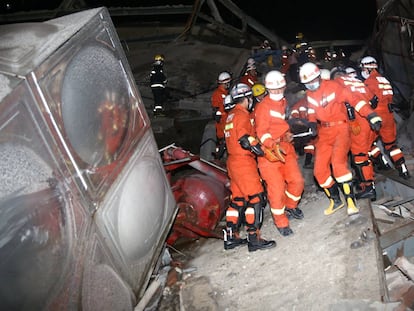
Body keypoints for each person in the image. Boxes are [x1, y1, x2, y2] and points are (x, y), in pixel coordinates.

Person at [298, 62, 382, 216]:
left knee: (338, 164)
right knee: (319, 171)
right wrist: (311, 123)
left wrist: (371, 115)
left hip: (341, 129)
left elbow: (355, 100)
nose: (310, 85)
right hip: (324, 132)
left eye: (312, 81)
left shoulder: (334, 86)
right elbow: (311, 110)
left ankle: (351, 202)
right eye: (307, 83)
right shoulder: (309, 94)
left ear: (318, 77)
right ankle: (336, 201)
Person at [223, 83, 276, 252]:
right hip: (243, 162)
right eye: (250, 99)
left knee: (238, 200)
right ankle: (254, 238)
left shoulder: (230, 116)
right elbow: (245, 139)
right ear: (246, 99)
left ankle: (231, 236)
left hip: (232, 162)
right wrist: (262, 151)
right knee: (256, 198)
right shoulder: (242, 115)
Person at [254, 70, 305, 237]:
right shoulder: (263, 107)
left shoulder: (284, 102)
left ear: (283, 87)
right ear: (268, 90)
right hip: (270, 154)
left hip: (285, 148)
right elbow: (262, 132)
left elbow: (282, 124)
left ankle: (291, 206)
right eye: (273, 90)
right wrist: (272, 144)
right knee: (276, 190)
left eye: (279, 89)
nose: (276, 92)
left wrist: (288, 134)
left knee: (297, 181)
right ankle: (281, 222)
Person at [335, 66, 383, 201]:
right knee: (365, 152)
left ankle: (369, 187)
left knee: (360, 156)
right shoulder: (357, 82)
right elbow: (374, 100)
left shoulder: (338, 83)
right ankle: (364, 182)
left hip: (357, 122)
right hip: (369, 120)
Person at [360, 56, 411, 179]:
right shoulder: (384, 80)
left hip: (376, 116)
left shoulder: (369, 82)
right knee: (391, 145)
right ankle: (403, 169)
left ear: (367, 67)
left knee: (367, 143)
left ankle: (381, 162)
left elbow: (366, 101)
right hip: (388, 115)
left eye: (363, 68)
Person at [211, 71, 232, 159]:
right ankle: (217, 156)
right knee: (223, 139)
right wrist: (218, 115)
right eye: (227, 83)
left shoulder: (225, 92)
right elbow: (216, 107)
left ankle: (221, 155)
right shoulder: (218, 93)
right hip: (222, 120)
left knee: (226, 139)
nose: (228, 85)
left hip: (226, 119)